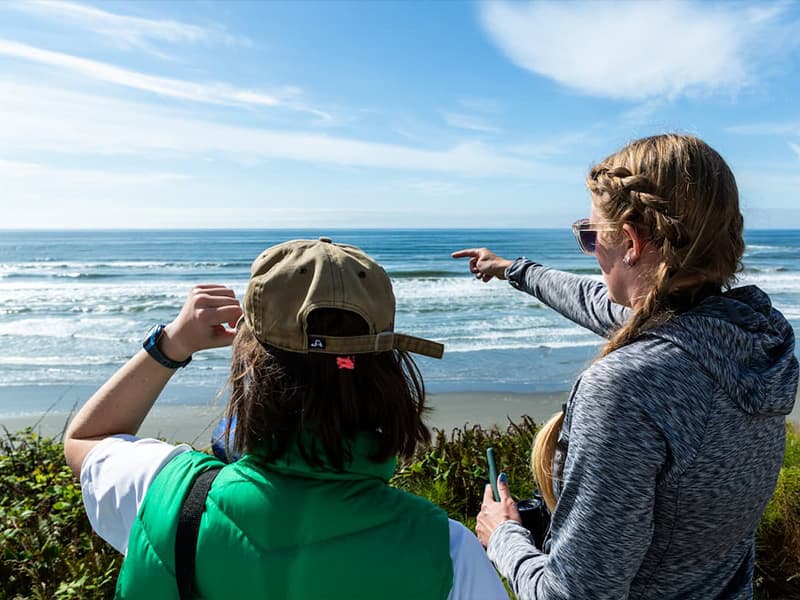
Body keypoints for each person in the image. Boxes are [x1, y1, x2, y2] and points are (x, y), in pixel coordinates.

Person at [453, 134, 799, 599]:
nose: (591, 250)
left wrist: (503, 537)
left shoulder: (627, 389)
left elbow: (572, 595)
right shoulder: (757, 344)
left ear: (632, 241)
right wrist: (512, 270)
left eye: (590, 235)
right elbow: (597, 301)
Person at [65, 237, 508, 599]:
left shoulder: (167, 495)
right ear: (386, 375)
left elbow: (86, 439)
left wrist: (171, 344)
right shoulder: (447, 553)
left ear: (250, 367)